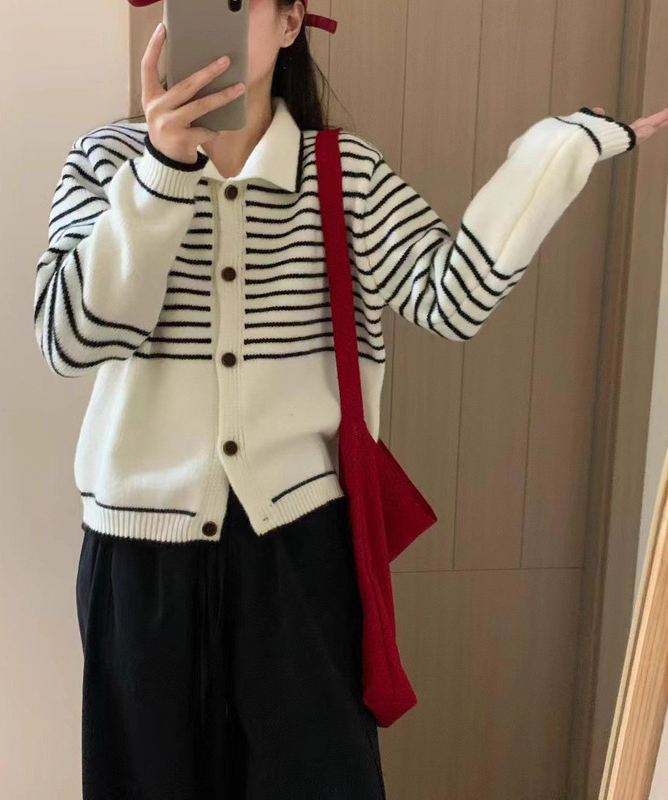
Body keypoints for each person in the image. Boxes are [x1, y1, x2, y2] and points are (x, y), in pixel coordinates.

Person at [33, 1, 667, 797]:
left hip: (300, 558)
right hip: (140, 564)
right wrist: (163, 172)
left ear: (290, 21)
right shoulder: (109, 160)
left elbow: (453, 299)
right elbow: (69, 340)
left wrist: (553, 155)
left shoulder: (343, 172)